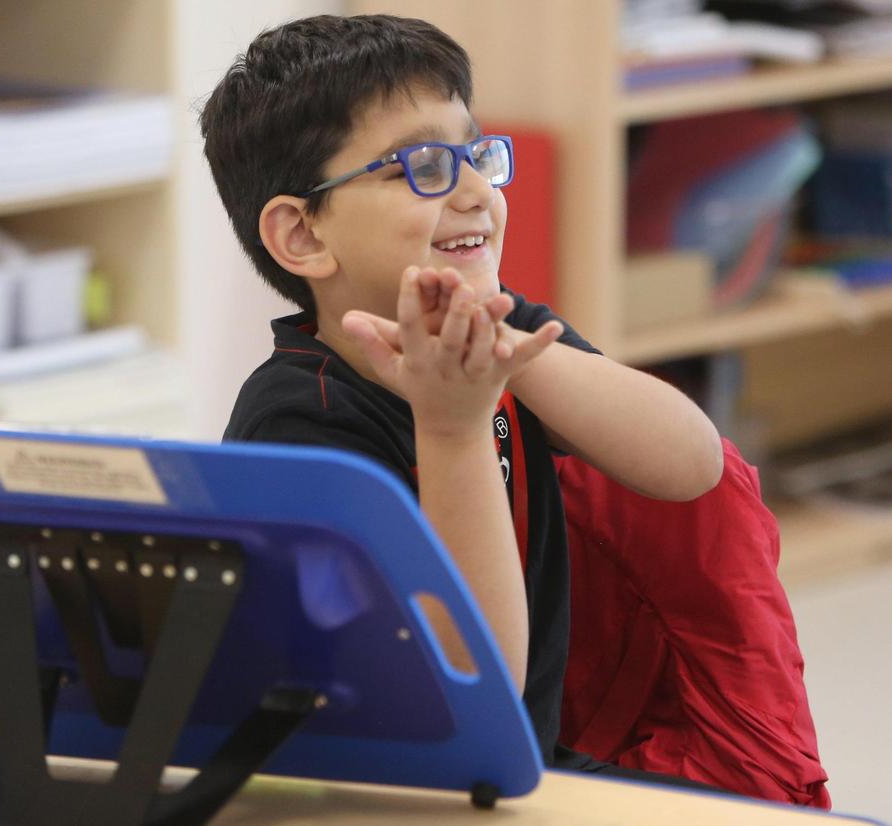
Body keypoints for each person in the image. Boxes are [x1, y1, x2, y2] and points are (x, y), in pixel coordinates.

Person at [199, 14, 724, 782]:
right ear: (303, 235)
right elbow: (469, 696)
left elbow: (692, 463)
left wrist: (514, 365)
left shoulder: (505, 334)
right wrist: (453, 427)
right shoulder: (297, 419)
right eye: (421, 164)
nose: (477, 191)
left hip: (526, 769)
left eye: (474, 153)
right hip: (400, 789)